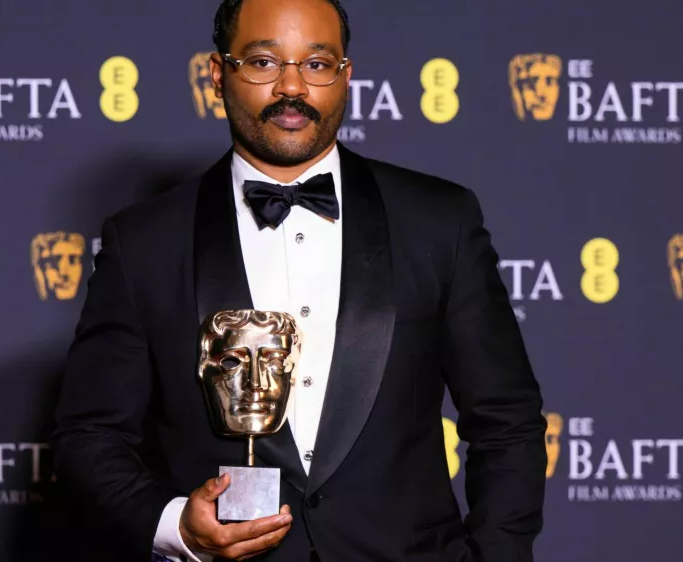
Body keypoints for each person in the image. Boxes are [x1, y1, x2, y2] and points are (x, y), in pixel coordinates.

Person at [51, 0, 547, 560]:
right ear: (217, 74)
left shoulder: (438, 220)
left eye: (317, 64)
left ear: (345, 75)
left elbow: (507, 422)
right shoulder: (144, 240)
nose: (292, 87)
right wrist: (175, 527)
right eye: (263, 62)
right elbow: (90, 436)